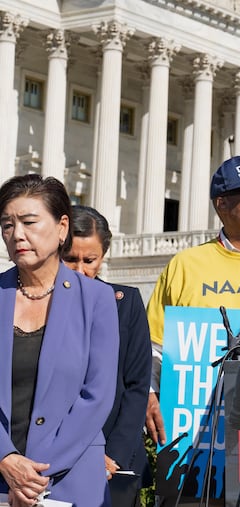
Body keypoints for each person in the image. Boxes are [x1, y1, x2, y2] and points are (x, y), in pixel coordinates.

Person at [144, 156, 240, 497]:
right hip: (194, 435)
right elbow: (153, 347)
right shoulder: (184, 264)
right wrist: (150, 396)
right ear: (222, 204)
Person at [0, 174, 119, 506]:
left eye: (29, 222)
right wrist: (7, 459)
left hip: (71, 479)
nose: (17, 234)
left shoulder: (97, 299)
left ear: (62, 227)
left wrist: (32, 476)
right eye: (7, 225)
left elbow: (97, 396)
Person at [62, 205, 152, 507]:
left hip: (113, 460)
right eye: (70, 259)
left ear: (104, 256)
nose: (80, 271)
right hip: (54, 456)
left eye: (90, 260)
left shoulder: (126, 303)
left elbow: (137, 385)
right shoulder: (39, 306)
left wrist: (113, 454)